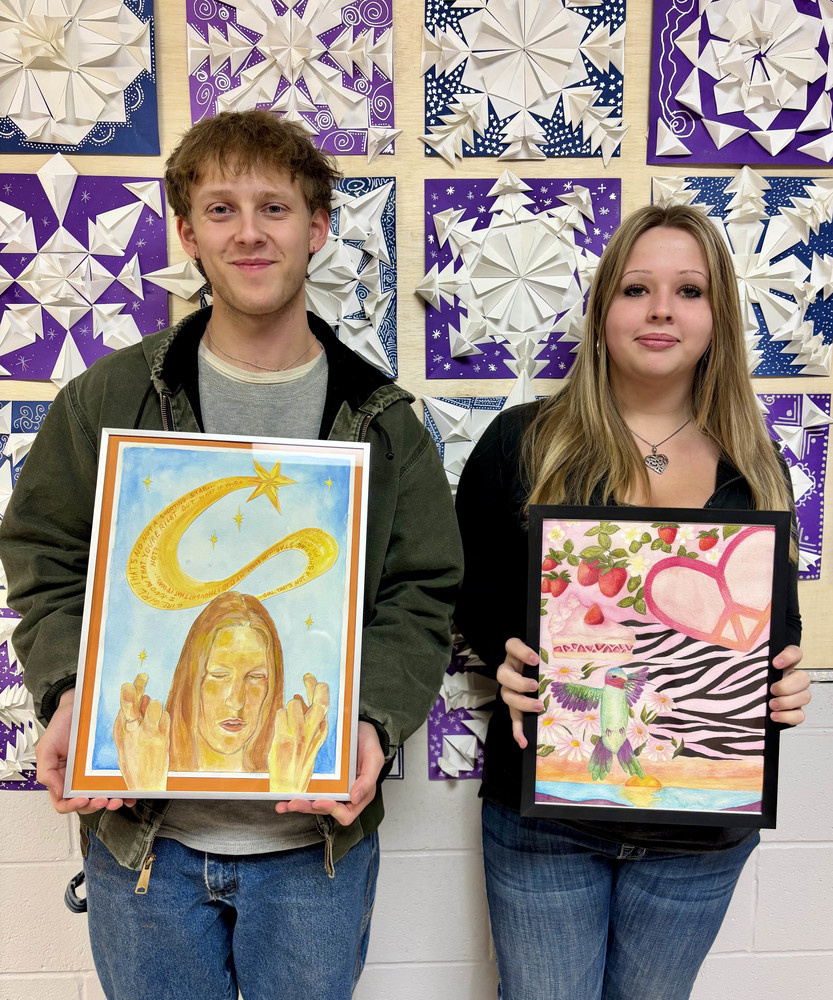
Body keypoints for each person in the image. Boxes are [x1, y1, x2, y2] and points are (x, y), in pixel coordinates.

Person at [0, 110, 462, 1000]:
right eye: (220, 209)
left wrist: (367, 721)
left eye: (275, 207)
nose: (248, 232)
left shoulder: (383, 421)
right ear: (187, 232)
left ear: (317, 227)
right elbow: (43, 554)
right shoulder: (109, 398)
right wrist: (67, 694)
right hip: (145, 845)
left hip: (312, 850)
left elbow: (421, 594)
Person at [454, 203, 812, 1000]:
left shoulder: (754, 467)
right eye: (634, 289)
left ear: (716, 315)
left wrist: (785, 685)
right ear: (601, 310)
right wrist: (505, 660)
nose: (659, 309)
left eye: (687, 290)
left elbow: (770, 633)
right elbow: (471, 600)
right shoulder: (523, 443)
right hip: (546, 817)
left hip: (702, 828)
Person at [113, 591, 329, 794]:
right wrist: (144, 791)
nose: (236, 701)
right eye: (218, 675)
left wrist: (289, 793)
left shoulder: (292, 775)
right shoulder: (146, 771)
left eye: (255, 677)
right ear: (191, 680)